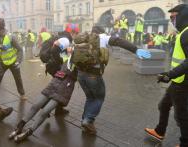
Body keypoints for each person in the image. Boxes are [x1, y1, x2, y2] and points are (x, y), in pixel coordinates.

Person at [76, 25, 151, 134]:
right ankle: (88, 121)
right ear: (102, 31)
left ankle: (84, 120)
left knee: (90, 97)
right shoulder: (103, 37)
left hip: (80, 74)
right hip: (93, 75)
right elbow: (119, 41)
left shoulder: (83, 39)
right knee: (98, 98)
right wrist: (136, 49)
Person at [8, 46, 77, 143]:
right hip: (55, 83)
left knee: (45, 111)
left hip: (65, 88)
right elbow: (54, 52)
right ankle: (19, 127)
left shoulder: (82, 61)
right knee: (36, 105)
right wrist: (58, 46)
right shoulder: (65, 55)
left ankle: (29, 131)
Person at [144, 4, 188, 147]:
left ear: (183, 15)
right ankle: (159, 131)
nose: (171, 20)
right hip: (177, 80)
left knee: (181, 115)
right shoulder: (183, 32)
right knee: (163, 105)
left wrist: (169, 74)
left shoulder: (187, 33)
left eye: (173, 17)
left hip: (182, 82)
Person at [0, 18, 27, 100]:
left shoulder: (10, 36)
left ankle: (22, 94)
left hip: (13, 62)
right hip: (0, 63)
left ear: (0, 27)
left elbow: (20, 50)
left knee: (18, 79)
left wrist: (18, 61)